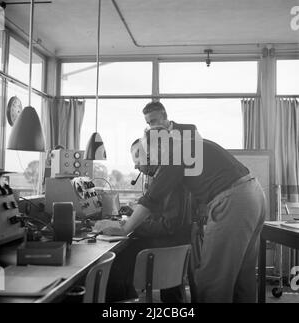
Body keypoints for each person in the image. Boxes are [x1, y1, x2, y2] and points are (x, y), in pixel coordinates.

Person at [94, 102, 266, 303]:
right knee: (241, 279)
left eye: (145, 153)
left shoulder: (174, 152)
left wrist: (124, 229)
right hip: (253, 194)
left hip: (233, 201)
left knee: (211, 282)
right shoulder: (187, 142)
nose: (145, 160)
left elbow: (153, 198)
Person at [103, 138, 191, 303]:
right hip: (175, 247)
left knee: (113, 259)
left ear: (150, 156)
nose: (136, 167)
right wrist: (135, 216)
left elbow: (169, 225)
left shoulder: (168, 180)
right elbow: (165, 215)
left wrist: (132, 226)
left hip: (166, 251)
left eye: (137, 160)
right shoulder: (170, 178)